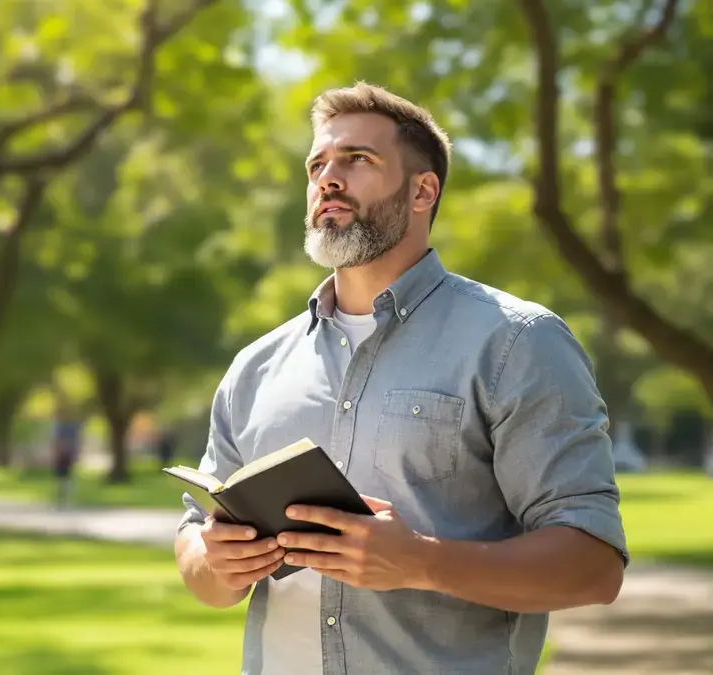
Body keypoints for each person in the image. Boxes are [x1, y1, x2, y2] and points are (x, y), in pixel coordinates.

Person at [172, 83, 628, 675]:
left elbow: (594, 565)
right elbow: (196, 545)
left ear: (423, 190)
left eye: (357, 159)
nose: (327, 179)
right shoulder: (256, 367)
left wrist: (421, 563)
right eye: (318, 165)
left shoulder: (518, 343)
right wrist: (214, 564)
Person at [50, 402, 82, 509]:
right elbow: (55, 442)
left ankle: (67, 499)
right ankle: (61, 499)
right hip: (62, 455)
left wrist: (75, 453)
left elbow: (74, 442)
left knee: (67, 477)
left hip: (67, 455)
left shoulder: (69, 427)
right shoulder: (59, 427)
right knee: (61, 478)